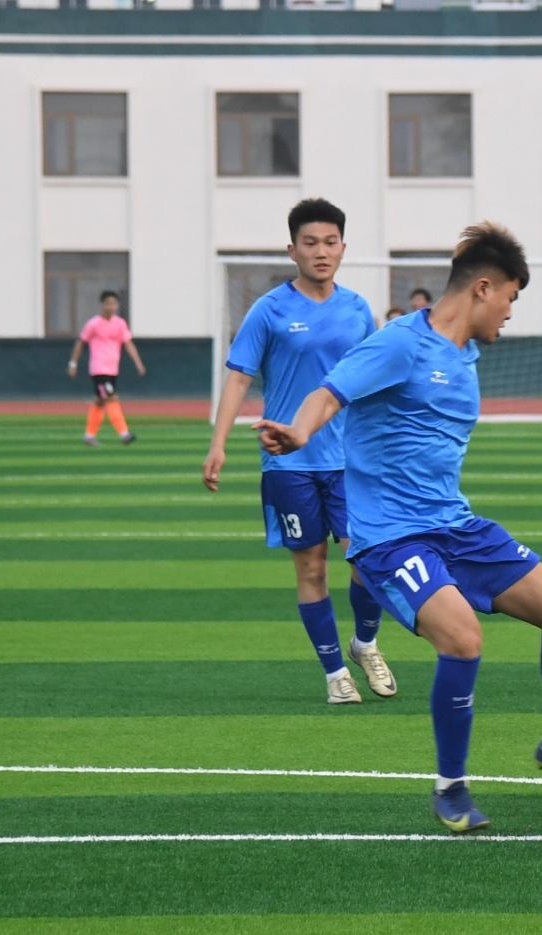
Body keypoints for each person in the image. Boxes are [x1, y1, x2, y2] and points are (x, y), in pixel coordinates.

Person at [256, 222, 542, 833]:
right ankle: (450, 787)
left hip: (455, 525)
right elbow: (330, 392)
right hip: (390, 538)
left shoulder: (466, 355)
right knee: (463, 637)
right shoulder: (401, 343)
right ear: (483, 288)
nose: (510, 312)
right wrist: (298, 431)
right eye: (510, 297)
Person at [202, 198, 396, 706]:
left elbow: (375, 378)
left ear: (343, 248)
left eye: (330, 242)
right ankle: (335, 673)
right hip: (289, 463)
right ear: (293, 250)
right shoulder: (269, 310)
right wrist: (218, 444)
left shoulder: (357, 310)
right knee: (312, 569)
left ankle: (365, 643)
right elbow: (239, 377)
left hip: (352, 461)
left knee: (368, 561)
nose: (321, 251)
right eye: (310, 243)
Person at [69, 291, 145, 446]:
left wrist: (138, 362)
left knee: (100, 401)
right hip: (99, 369)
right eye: (108, 303)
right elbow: (80, 342)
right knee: (112, 397)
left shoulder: (120, 324)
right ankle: (124, 434)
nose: (111, 307)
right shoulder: (94, 324)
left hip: (112, 369)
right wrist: (73, 364)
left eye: (114, 304)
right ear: (102, 304)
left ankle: (89, 436)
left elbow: (128, 343)